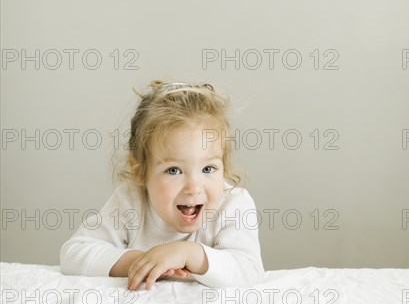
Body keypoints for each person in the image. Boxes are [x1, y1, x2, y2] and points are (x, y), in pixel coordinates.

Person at [60, 80, 265, 291]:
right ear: (140, 171)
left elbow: (249, 271)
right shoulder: (132, 200)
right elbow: (73, 253)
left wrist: (188, 254)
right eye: (173, 170)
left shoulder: (233, 203)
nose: (193, 187)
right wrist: (144, 262)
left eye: (208, 169)